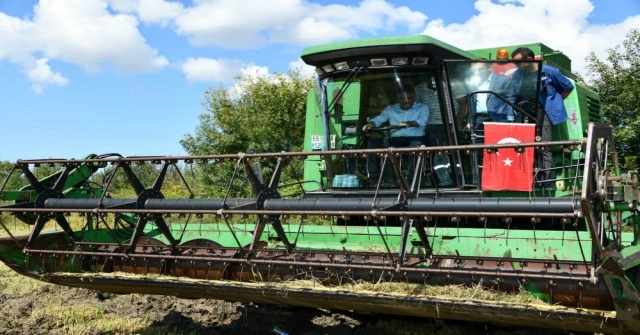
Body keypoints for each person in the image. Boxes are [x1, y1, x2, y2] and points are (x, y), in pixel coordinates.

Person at [510, 47, 574, 187]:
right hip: (525, 111)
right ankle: (525, 178)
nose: (517, 65)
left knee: (544, 145)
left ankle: (545, 180)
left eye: (519, 62)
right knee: (523, 144)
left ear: (529, 59)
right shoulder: (518, 75)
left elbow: (568, 87)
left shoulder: (549, 71)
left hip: (544, 112)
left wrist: (554, 102)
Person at [362, 87, 429, 179]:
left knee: (415, 147)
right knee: (373, 144)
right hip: (395, 140)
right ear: (397, 99)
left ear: (414, 97)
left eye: (408, 98)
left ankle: (411, 177)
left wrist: (409, 123)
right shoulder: (391, 109)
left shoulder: (422, 107)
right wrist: (370, 124)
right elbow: (379, 119)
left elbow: (422, 121)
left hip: (416, 139)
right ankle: (373, 175)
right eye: (401, 98)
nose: (405, 101)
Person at [465, 61, 516, 138]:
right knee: (479, 144)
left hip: (497, 117)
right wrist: (469, 121)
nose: (476, 72)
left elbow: (510, 100)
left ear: (489, 68)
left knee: (498, 141)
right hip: (478, 119)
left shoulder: (504, 80)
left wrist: (510, 119)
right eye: (473, 70)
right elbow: (471, 103)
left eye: (479, 69)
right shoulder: (472, 82)